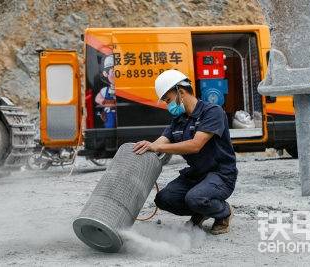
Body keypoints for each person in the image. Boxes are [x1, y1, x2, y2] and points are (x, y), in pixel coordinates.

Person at [133, 69, 238, 234]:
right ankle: (201, 211)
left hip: (221, 174)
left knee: (196, 198)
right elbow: (160, 142)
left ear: (180, 92)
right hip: (196, 174)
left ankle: (224, 212)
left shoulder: (212, 112)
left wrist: (158, 147)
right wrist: (146, 147)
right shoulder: (178, 120)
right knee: (164, 199)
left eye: (168, 100)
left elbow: (195, 145)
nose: (168, 106)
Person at [95, 54, 116, 128]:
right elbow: (97, 99)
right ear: (105, 73)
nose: (117, 75)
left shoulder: (125, 90)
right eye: (114, 72)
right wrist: (107, 102)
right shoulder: (105, 90)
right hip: (108, 116)